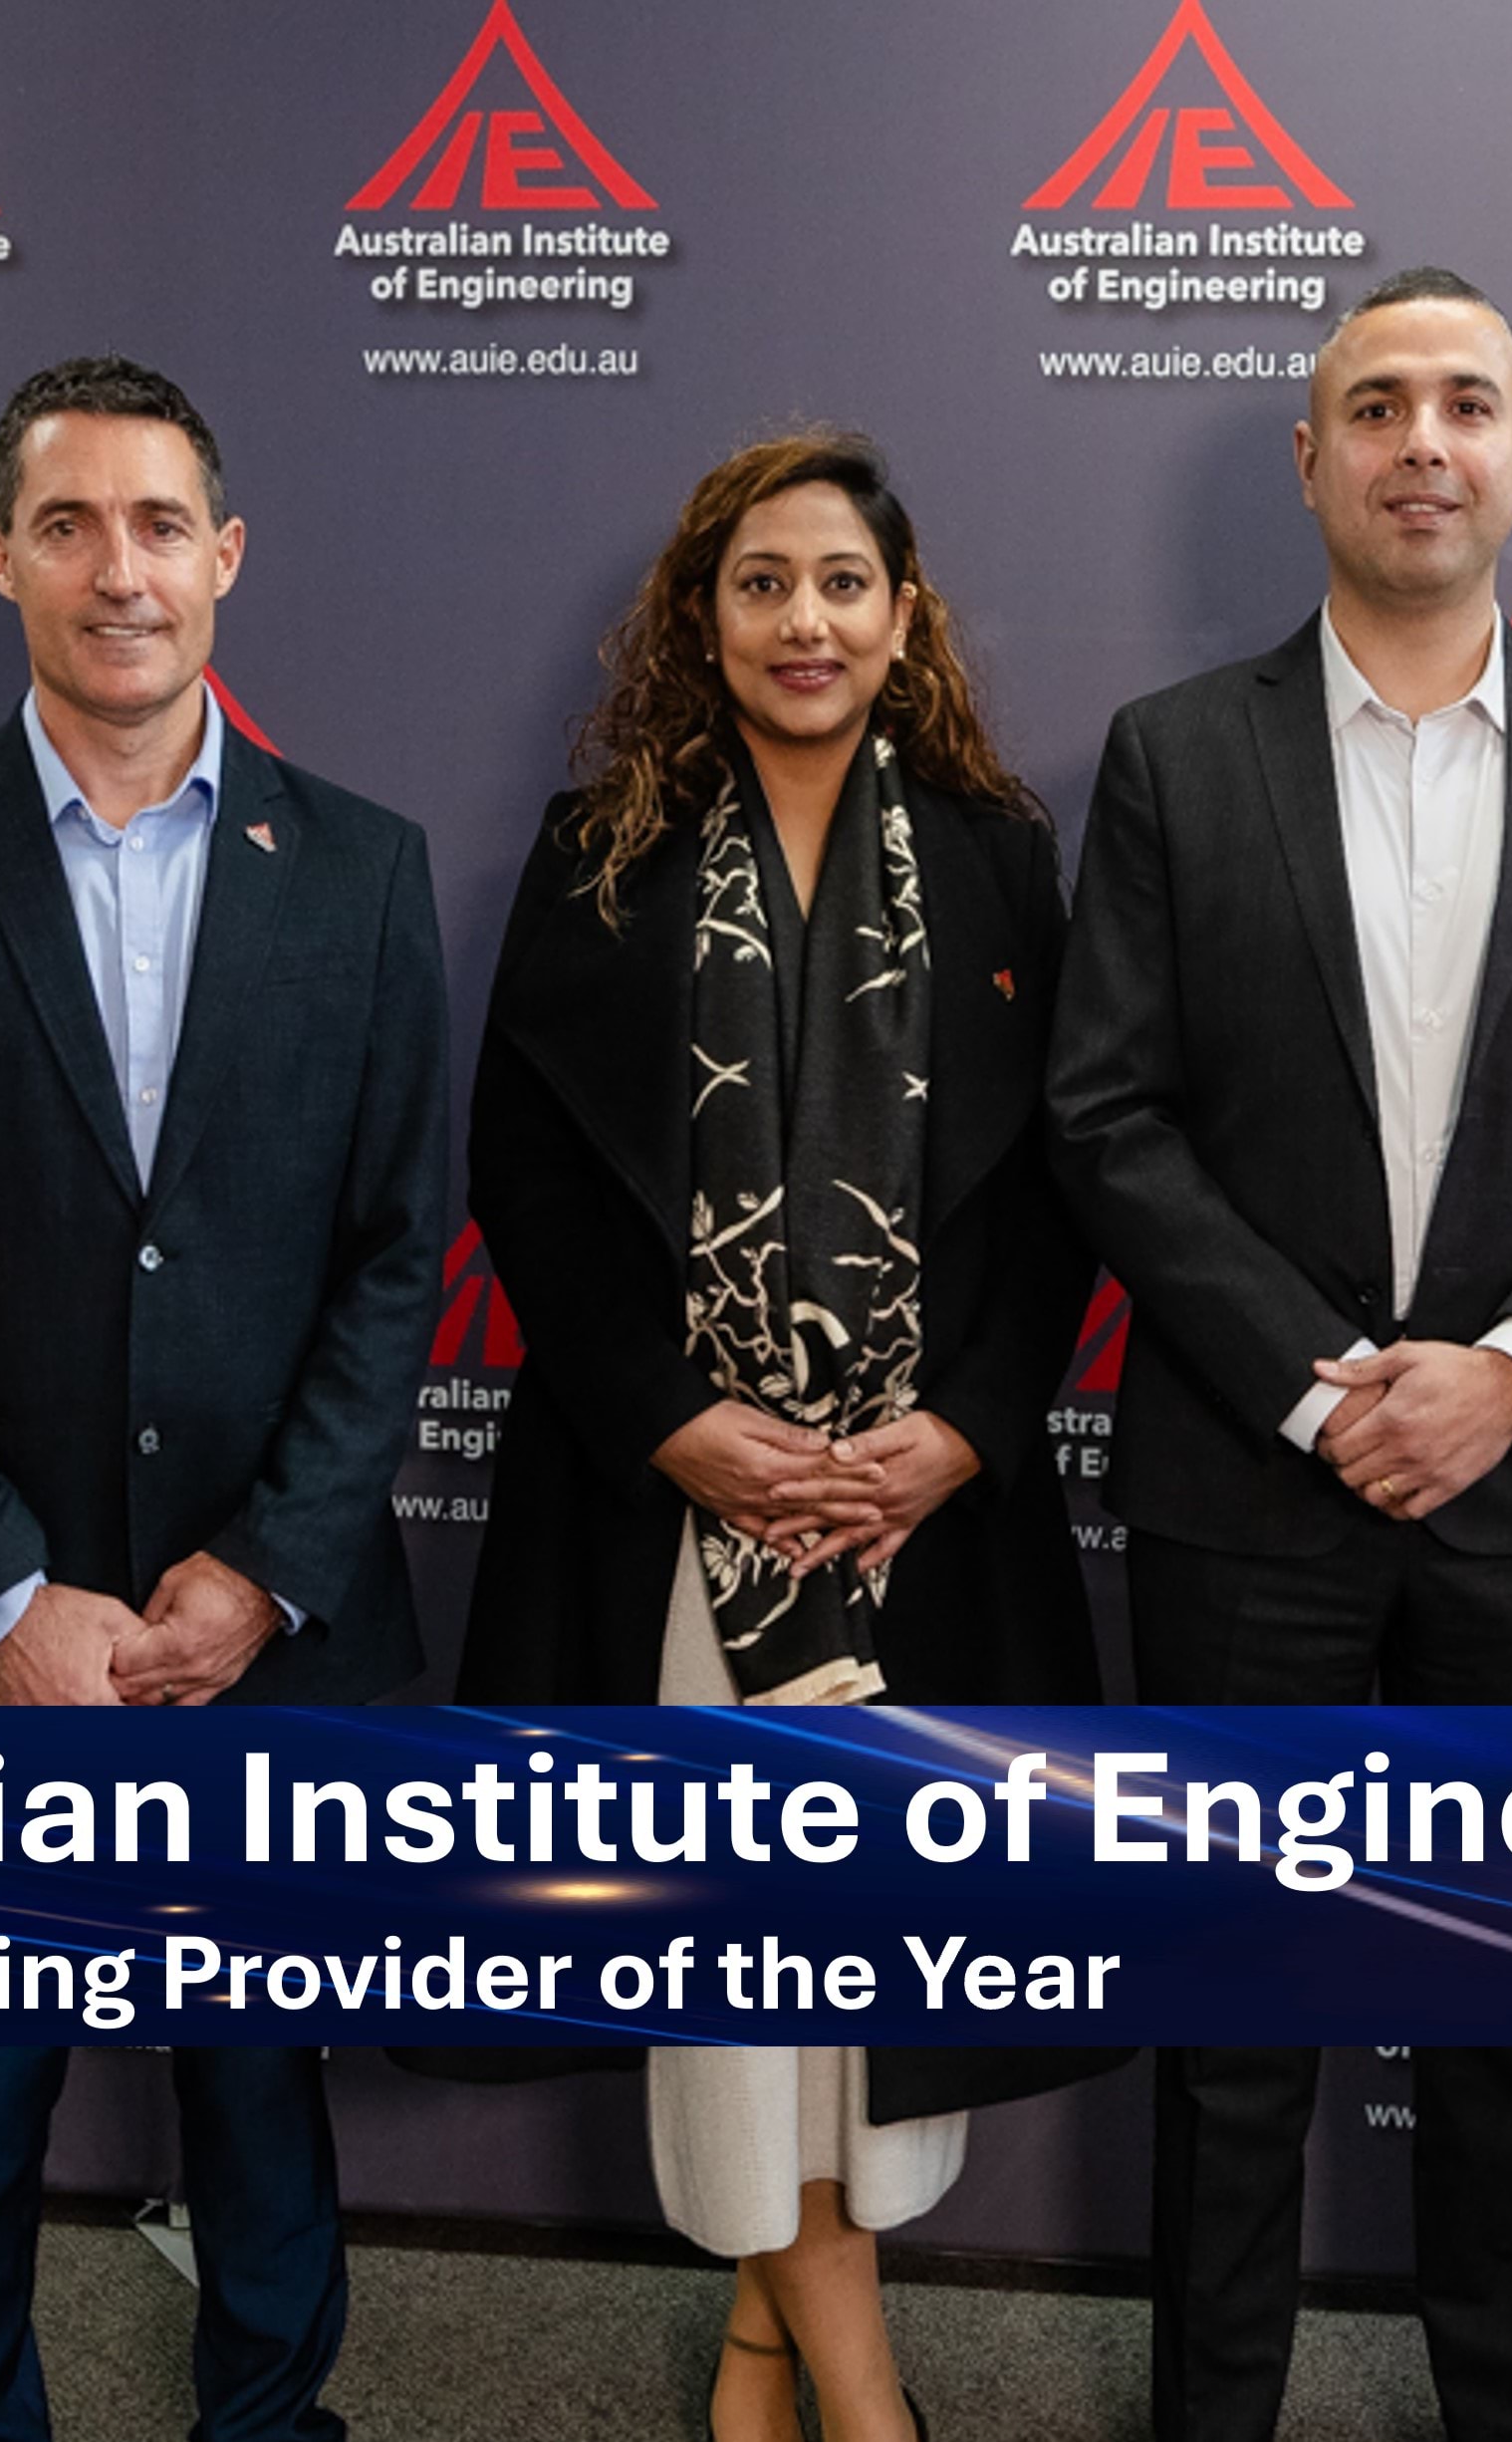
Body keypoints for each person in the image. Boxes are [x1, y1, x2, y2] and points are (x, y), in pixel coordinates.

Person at [1048, 266, 1512, 2442]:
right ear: (1312, 458)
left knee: (1499, 2023)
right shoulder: (1177, 752)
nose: (1422, 441)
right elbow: (1107, 1113)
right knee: (1239, 2022)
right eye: (1378, 404)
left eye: (1467, 402)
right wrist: (1329, 1378)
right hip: (1249, 1490)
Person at [0, 356, 447, 2442]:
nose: (118, 569)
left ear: (225, 559)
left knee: (260, 2093)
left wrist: (263, 1568)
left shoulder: (362, 863)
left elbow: (396, 1251)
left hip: (265, 1626)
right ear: (3, 558)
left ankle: (274, 2417)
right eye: (68, 525)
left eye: (160, 525)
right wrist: (0, 1594)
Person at [455, 429, 1120, 2442]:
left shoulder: (1004, 854)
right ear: (702, 615)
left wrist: (965, 1426)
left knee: (874, 1945)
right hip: (689, 1512)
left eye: (842, 580)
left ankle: (768, 2333)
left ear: (903, 613)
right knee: (746, 1943)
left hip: (925, 1510)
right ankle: (862, 2377)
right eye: (761, 582)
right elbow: (528, 1178)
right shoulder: (602, 850)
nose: (803, 619)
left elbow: (1059, 1181)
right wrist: (683, 1423)